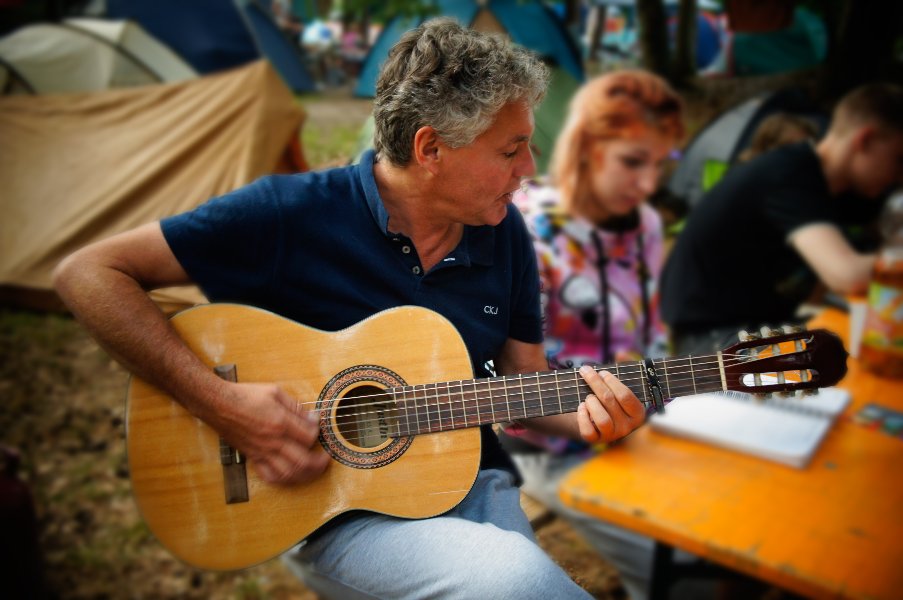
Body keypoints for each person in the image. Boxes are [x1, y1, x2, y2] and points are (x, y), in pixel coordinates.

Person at [52, 18, 647, 599]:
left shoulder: (502, 229)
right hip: (336, 512)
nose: (530, 169)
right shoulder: (289, 214)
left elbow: (525, 380)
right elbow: (88, 273)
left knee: (524, 580)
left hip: (471, 483)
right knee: (518, 579)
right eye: (511, 150)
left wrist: (591, 417)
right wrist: (220, 404)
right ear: (430, 148)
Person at [499, 70, 689, 600]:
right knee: (684, 563)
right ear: (586, 147)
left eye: (660, 164)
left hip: (644, 430)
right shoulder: (522, 228)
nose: (648, 185)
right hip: (550, 448)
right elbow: (514, 391)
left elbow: (650, 342)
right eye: (633, 161)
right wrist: (602, 426)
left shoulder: (645, 225)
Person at [662, 82, 903, 355]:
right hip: (712, 337)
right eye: (899, 159)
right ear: (865, 140)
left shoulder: (833, 187)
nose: (899, 176)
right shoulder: (790, 174)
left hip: (757, 324)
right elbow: (846, 274)